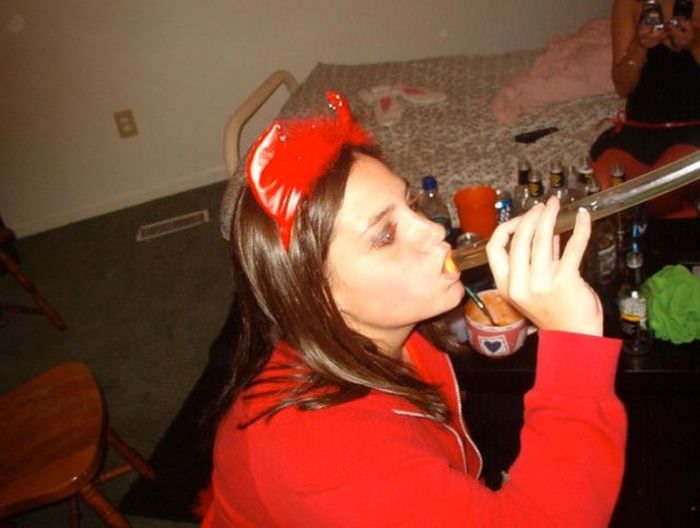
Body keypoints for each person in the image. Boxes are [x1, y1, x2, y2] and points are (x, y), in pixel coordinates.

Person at [200, 92, 626, 527]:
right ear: (313, 295)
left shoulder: (398, 332)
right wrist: (574, 345)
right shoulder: (321, 460)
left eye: (412, 205)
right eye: (385, 235)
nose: (434, 231)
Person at [590, 0, 700, 217]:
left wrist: (694, 44)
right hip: (640, 130)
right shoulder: (629, 4)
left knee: (662, 189)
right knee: (602, 192)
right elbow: (622, 86)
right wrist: (639, 47)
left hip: (693, 129)